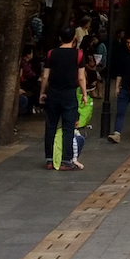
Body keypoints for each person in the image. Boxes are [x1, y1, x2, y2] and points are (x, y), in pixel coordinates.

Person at [39, 25, 85, 171]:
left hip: (53, 93)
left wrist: (42, 92)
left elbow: (45, 76)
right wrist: (84, 94)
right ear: (73, 38)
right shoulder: (78, 55)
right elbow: (81, 77)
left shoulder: (51, 53)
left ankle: (49, 160)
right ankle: (66, 160)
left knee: (50, 125)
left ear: (59, 38)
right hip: (69, 94)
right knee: (68, 127)